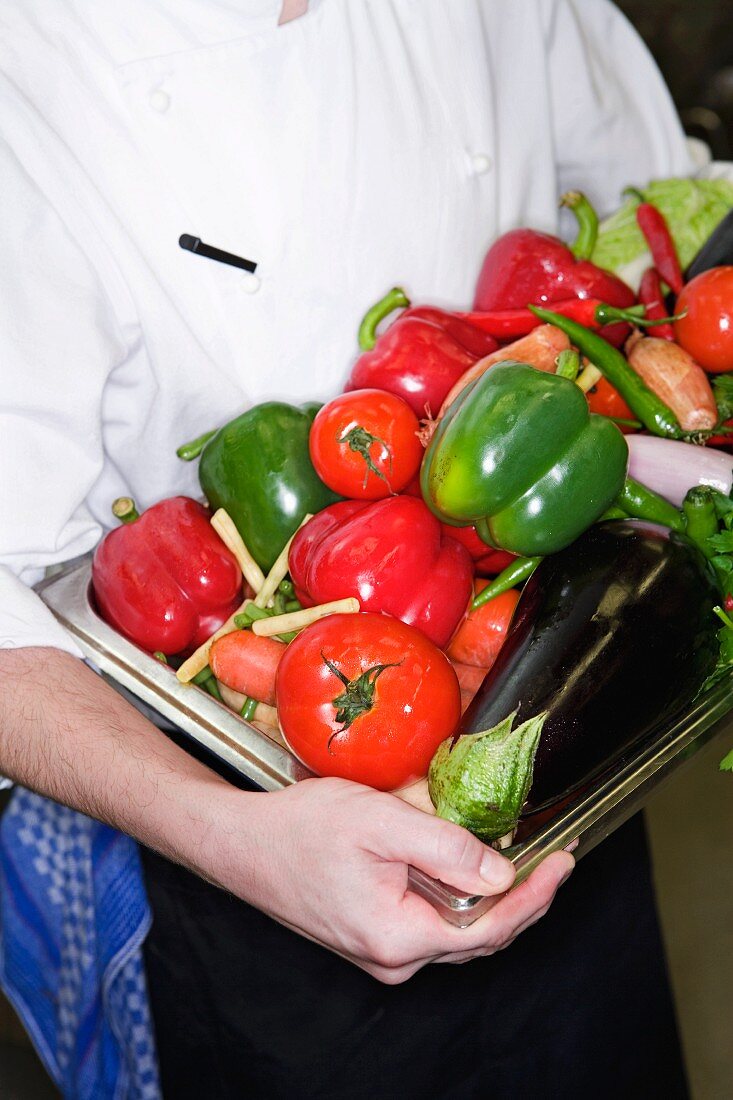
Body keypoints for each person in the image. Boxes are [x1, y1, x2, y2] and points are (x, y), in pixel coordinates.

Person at [0, 1, 696, 1097]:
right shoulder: (30, 65)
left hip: (561, 714)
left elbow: (648, 211)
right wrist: (233, 836)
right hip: (250, 848)